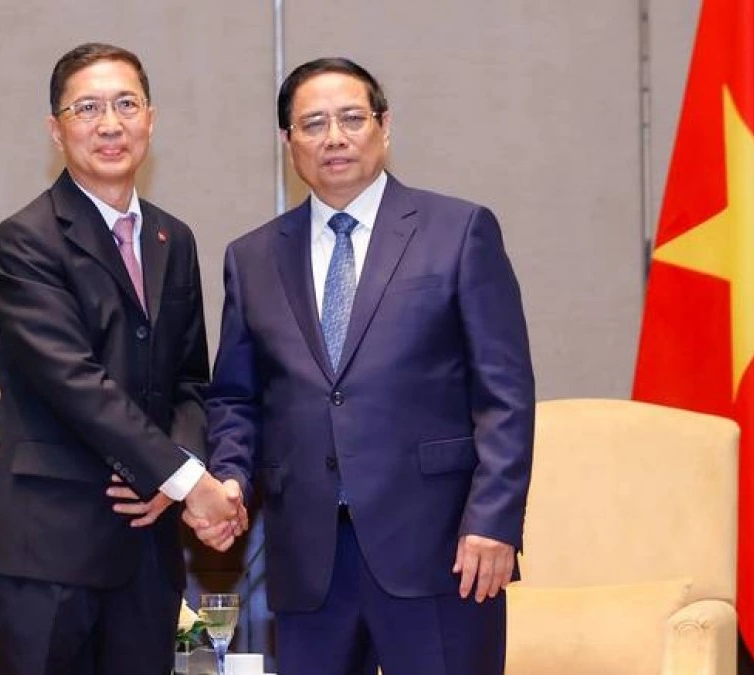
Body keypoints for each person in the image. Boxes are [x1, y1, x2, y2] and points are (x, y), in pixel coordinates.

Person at [189, 58, 535, 675]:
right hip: (308, 560)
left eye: (352, 118)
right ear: (288, 142)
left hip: (442, 551)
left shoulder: (459, 231)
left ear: (384, 125)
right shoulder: (252, 257)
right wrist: (231, 479)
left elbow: (504, 394)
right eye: (313, 123)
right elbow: (237, 398)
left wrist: (494, 520)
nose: (334, 137)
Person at [0, 42, 241, 675]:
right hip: (45, 549)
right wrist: (183, 480)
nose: (110, 124)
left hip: (146, 551)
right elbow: (74, 383)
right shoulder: (25, 241)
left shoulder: (174, 239)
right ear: (56, 129)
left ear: (151, 118)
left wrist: (172, 473)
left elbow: (190, 381)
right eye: (87, 108)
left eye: (126, 105)